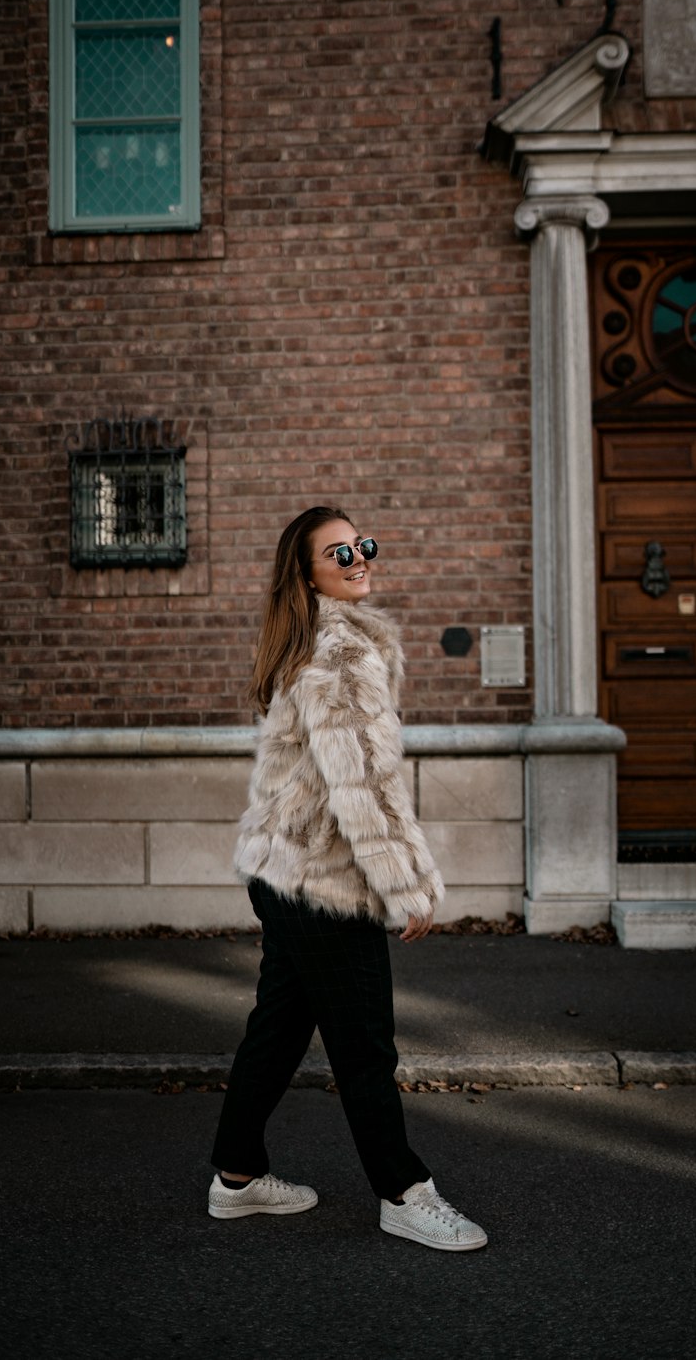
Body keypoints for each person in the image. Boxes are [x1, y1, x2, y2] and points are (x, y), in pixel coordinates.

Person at [208, 504, 487, 1252]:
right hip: (325, 882)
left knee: (278, 1028)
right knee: (364, 1043)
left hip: (281, 871)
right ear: (307, 573)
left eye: (364, 544)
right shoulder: (340, 651)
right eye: (339, 553)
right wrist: (406, 881)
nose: (360, 558)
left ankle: (236, 1175)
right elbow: (360, 780)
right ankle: (404, 1191)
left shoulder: (309, 642)